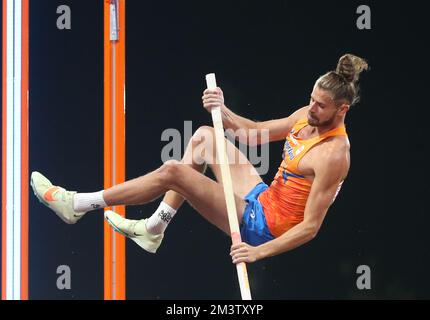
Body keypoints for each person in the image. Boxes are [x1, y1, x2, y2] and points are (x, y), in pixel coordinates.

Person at [31, 54, 368, 264]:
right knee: (206, 136)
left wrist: (258, 252)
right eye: (311, 99)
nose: (311, 108)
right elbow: (254, 133)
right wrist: (224, 109)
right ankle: (153, 229)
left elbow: (310, 228)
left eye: (320, 106)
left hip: (261, 228)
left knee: (174, 171)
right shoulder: (306, 116)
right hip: (262, 199)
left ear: (342, 110)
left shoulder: (334, 155)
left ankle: (76, 204)